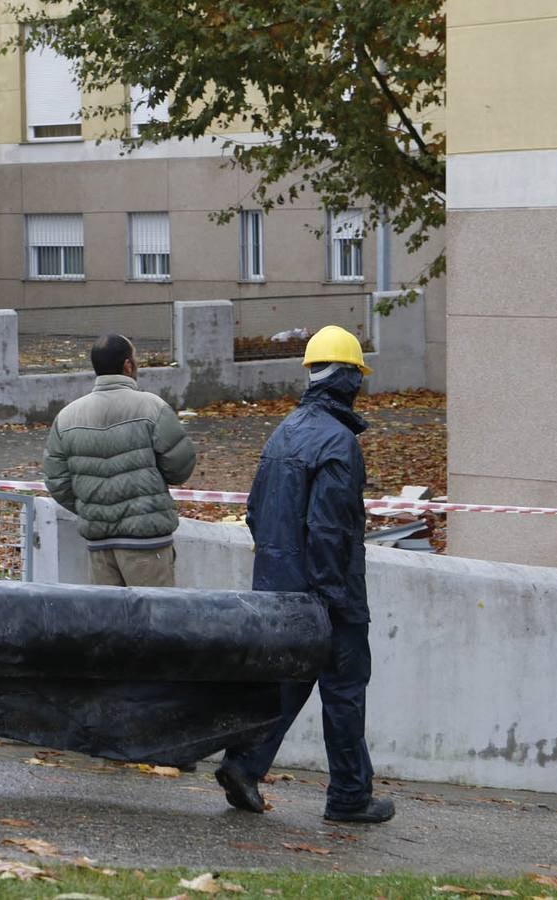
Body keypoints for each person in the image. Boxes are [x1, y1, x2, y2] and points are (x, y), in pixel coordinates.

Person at [214, 325, 394, 825]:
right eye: (359, 375)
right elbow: (330, 533)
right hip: (327, 597)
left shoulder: (284, 432)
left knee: (289, 683)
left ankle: (243, 765)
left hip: (278, 591)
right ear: (350, 380)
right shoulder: (338, 443)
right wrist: (334, 602)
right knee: (344, 691)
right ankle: (349, 797)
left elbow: (254, 511)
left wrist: (281, 576)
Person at [43, 333, 196, 587]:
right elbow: (180, 467)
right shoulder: (152, 408)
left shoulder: (66, 418)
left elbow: (57, 481)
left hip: (99, 546)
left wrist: (93, 508)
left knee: (109, 624)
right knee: (155, 621)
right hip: (148, 544)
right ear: (128, 365)